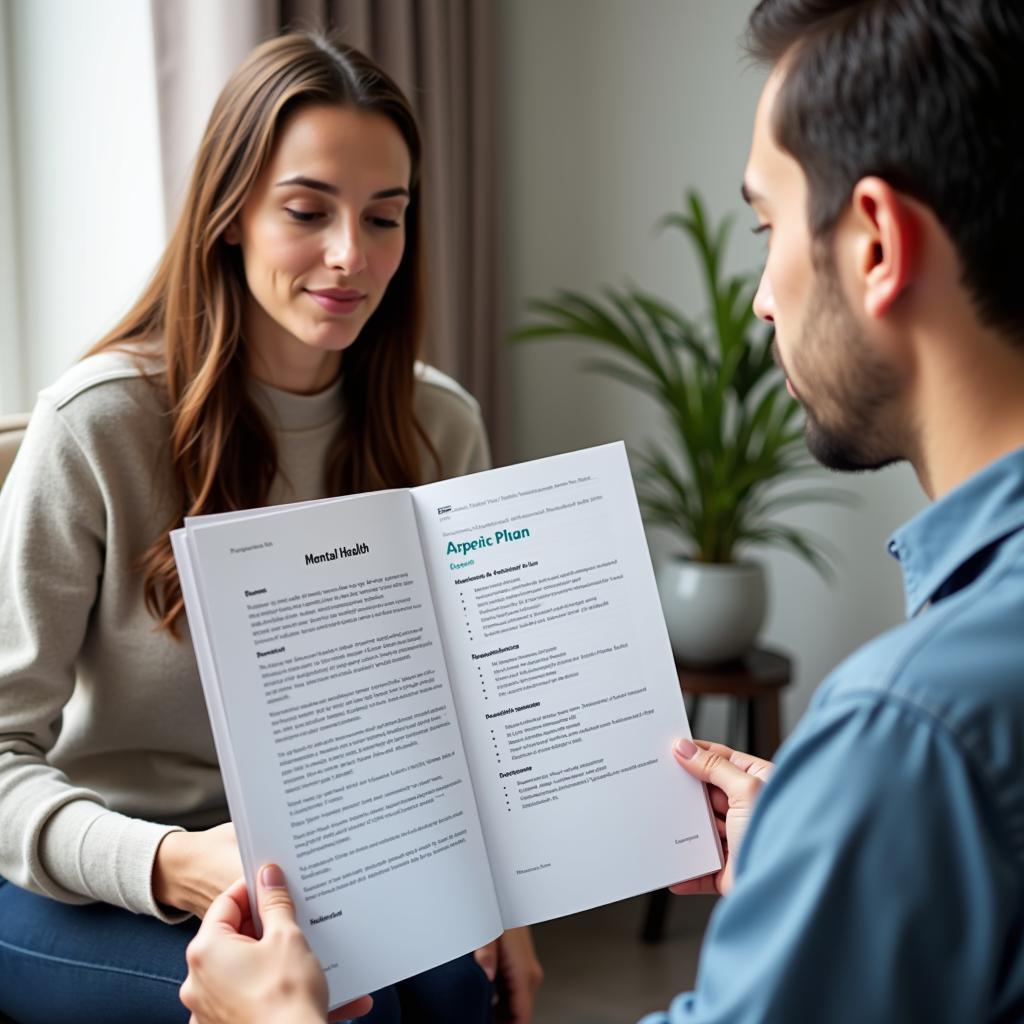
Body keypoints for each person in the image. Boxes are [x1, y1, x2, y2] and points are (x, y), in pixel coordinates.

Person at [177, 0, 1024, 1020]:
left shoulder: (910, 727)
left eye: (766, 228)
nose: (760, 299)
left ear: (876, 244)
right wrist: (820, 850)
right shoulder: (932, 720)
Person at [0, 31, 541, 1024]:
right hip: (93, 875)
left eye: (386, 217)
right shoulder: (97, 427)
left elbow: (464, 719)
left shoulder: (440, 425)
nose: (351, 255)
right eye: (307, 211)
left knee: (451, 994)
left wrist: (497, 897)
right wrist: (170, 865)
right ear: (230, 215)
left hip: (337, 865)